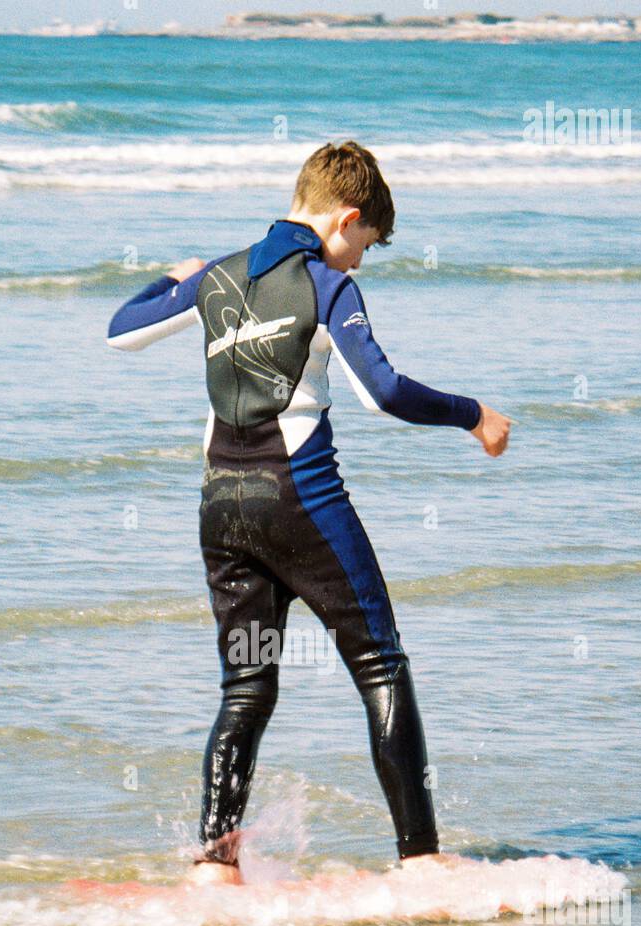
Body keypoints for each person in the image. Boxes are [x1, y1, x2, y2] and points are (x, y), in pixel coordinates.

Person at [107, 141, 510, 886]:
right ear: (345, 218)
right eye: (364, 242)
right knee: (379, 664)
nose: (358, 259)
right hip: (301, 503)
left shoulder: (220, 277)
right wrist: (472, 414)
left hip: (220, 512)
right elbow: (384, 392)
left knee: (246, 687)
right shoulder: (325, 285)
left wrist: (171, 276)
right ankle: (421, 862)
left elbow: (122, 329)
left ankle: (213, 866)